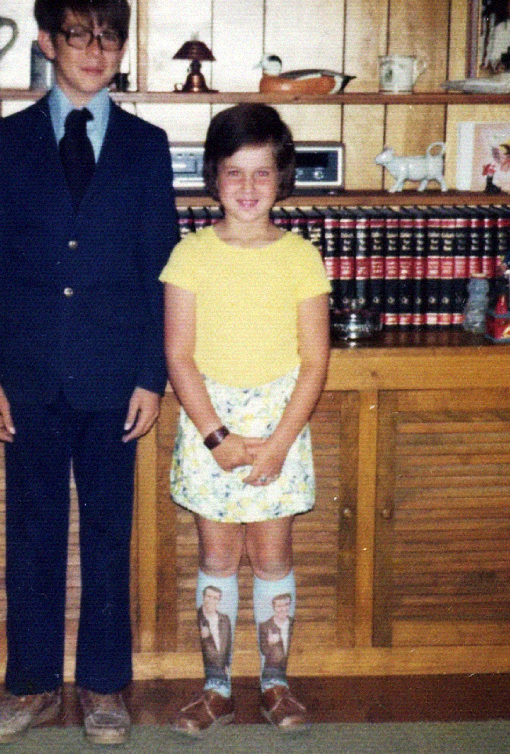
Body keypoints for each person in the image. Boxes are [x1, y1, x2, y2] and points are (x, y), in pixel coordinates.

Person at [0, 0, 178, 746]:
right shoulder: (9, 139)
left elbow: (163, 268)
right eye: (80, 33)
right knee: (31, 529)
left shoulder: (147, 147)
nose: (96, 49)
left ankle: (102, 686)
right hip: (24, 376)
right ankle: (30, 685)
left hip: (114, 376)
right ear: (49, 42)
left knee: (108, 532)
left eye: (110, 35)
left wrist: (151, 375)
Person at [160, 103, 330, 737]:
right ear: (214, 177)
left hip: (281, 426)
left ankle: (276, 684)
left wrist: (279, 444)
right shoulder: (190, 255)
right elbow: (178, 355)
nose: (250, 188)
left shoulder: (301, 257)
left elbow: (315, 360)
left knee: (272, 554)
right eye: (235, 173)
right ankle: (216, 688)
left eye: (263, 174)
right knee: (217, 555)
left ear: (281, 177)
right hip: (213, 426)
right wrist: (218, 438)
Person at [198, 584, 233, 690]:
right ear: (203, 597)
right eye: (208, 596)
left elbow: (228, 644)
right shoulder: (198, 617)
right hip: (207, 671)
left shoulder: (225, 619)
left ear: (218, 601)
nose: (211, 601)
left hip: (222, 669)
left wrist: (226, 664)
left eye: (215, 598)